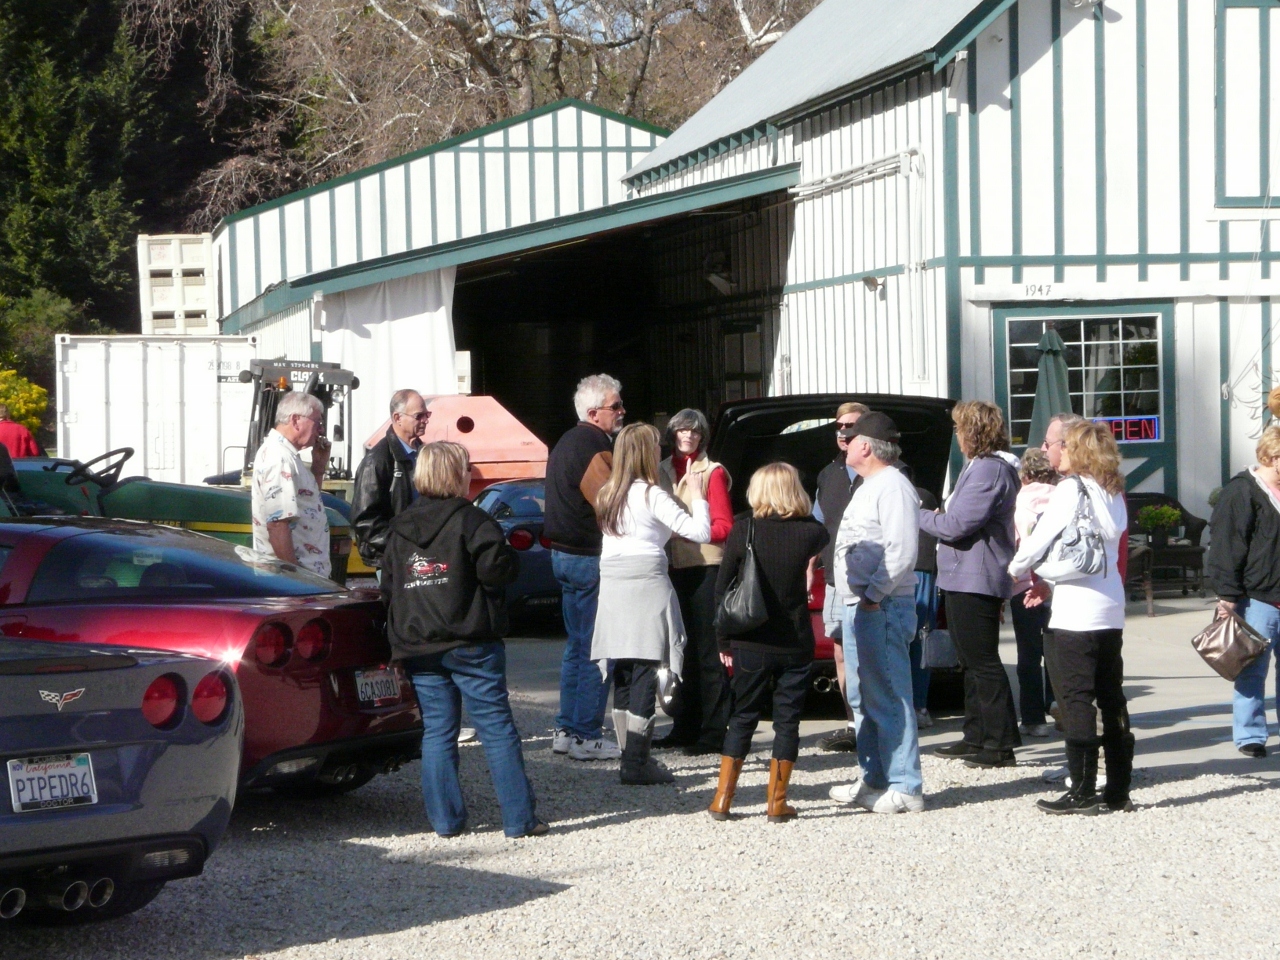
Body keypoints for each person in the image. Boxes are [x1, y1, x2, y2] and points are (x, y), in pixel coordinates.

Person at [380, 441, 547, 838]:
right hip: (470, 639)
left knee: (438, 730)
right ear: (457, 474)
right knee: (495, 726)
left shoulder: (400, 528)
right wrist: (510, 560)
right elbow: (496, 570)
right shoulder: (472, 520)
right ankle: (518, 820)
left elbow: (389, 587)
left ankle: (446, 822)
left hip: (419, 641)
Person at [1010, 422, 1132, 815]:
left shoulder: (1071, 489)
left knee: (1075, 697)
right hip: (1110, 605)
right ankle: (1117, 788)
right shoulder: (1113, 491)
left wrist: (1018, 567)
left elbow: (1040, 538)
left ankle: (1081, 788)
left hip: (1075, 609)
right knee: (1111, 695)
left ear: (1075, 451)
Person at [590, 423, 710, 785]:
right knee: (645, 668)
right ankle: (637, 763)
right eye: (656, 446)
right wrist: (699, 494)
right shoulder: (651, 495)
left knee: (624, 671)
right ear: (646, 452)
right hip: (644, 580)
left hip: (612, 581)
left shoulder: (607, 493)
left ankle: (630, 757)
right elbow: (700, 533)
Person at [708, 463, 828, 822]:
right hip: (794, 639)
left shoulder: (744, 528)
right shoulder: (813, 532)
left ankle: (722, 800)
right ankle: (777, 803)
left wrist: (723, 640)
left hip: (750, 640)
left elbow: (722, 589)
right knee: (788, 721)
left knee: (743, 716)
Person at [827, 412, 924, 814]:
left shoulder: (894, 486)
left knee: (888, 694)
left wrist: (874, 595)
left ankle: (906, 786)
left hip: (880, 605)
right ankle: (875, 778)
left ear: (866, 445)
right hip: (860, 603)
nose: (843, 441)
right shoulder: (870, 485)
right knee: (863, 695)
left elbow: (901, 549)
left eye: (849, 435)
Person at [920, 401, 1021, 768]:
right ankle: (976, 734)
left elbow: (956, 525)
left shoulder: (989, 470)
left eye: (960, 428)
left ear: (973, 431)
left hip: (976, 577)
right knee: (969, 661)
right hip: (964, 575)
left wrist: (920, 515)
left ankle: (999, 744)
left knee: (983, 662)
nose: (956, 435)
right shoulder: (978, 467)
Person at [543, 374, 625, 762]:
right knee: (597, 649)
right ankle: (586, 734)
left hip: (564, 555)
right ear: (594, 413)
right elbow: (611, 505)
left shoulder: (566, 441)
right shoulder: (593, 445)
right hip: (588, 557)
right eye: (616, 407)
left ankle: (566, 728)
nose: (622, 412)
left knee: (577, 646)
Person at [656, 408, 734, 754]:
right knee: (679, 651)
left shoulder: (712, 472)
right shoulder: (659, 471)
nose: (687, 437)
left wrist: (683, 533)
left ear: (702, 437)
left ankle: (713, 729)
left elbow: (724, 527)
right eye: (682, 431)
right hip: (672, 569)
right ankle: (684, 725)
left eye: (694, 432)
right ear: (672, 434)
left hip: (704, 568)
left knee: (707, 651)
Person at [1207, 425, 1280, 759]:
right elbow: (1226, 545)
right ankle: (1251, 735)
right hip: (1258, 597)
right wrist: (1227, 595)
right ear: (1273, 457)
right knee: (1251, 669)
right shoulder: (1242, 492)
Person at [812, 401, 870, 751]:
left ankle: (876, 721)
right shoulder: (828, 474)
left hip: (871, 579)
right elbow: (818, 525)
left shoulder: (887, 472)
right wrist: (809, 564)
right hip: (834, 577)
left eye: (851, 425)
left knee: (871, 651)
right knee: (841, 651)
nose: (843, 431)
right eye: (839, 425)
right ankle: (852, 724)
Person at [251, 391, 331, 578]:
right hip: (293, 582)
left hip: (306, 577)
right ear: (295, 420)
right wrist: (294, 579)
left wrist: (318, 469)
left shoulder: (288, 456)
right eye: (318, 422)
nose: (321, 430)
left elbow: (306, 505)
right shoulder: (279, 458)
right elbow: (278, 525)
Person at [351, 389, 431, 573]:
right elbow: (365, 519)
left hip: (420, 555)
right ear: (397, 418)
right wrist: (400, 547)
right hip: (393, 562)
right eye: (419, 415)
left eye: (427, 414)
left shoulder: (424, 453)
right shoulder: (377, 460)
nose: (425, 420)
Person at [1011, 448, 1059, 738]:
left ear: (1024, 475)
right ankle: (1059, 706)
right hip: (1058, 584)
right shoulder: (1064, 497)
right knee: (1056, 651)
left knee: (1028, 654)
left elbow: (1014, 541)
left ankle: (1032, 719)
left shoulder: (1017, 503)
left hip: (1025, 585)